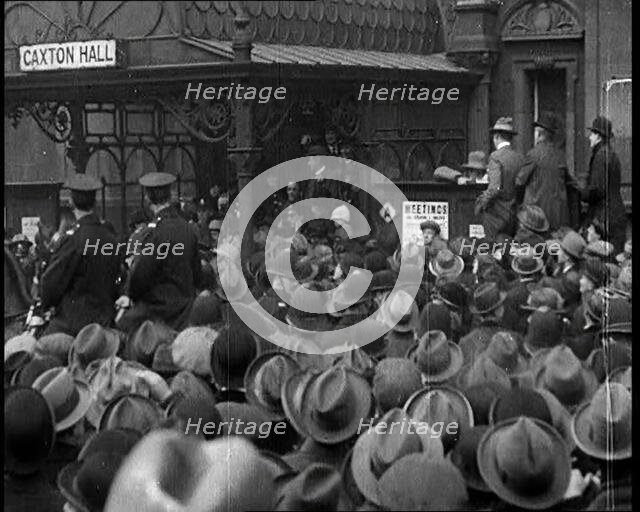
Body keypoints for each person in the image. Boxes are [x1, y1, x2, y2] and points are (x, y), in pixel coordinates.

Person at [116, 172, 201, 333]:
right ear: (170, 195)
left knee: (121, 327)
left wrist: (130, 295)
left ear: (148, 198)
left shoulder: (153, 233)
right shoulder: (187, 228)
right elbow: (197, 272)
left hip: (158, 311)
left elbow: (140, 275)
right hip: (185, 310)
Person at [39, 174, 121, 336]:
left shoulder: (73, 239)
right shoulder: (110, 238)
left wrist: (47, 305)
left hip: (73, 324)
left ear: (71, 201)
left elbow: (50, 284)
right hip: (105, 321)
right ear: (95, 202)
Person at [516, 112, 576, 232]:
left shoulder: (534, 154)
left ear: (539, 133)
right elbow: (569, 182)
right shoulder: (560, 155)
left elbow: (519, 181)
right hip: (557, 216)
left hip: (536, 216)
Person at [582, 116, 627, 252]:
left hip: (603, 217)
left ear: (599, 137)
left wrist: (580, 192)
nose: (589, 137)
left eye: (592, 134)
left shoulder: (600, 156)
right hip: (615, 213)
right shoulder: (612, 154)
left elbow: (597, 190)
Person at [476, 117, 525, 239]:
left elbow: (495, 188)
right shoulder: (519, 158)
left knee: (494, 249)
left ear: (496, 137)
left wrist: (481, 204)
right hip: (514, 214)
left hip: (496, 215)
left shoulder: (495, 157)